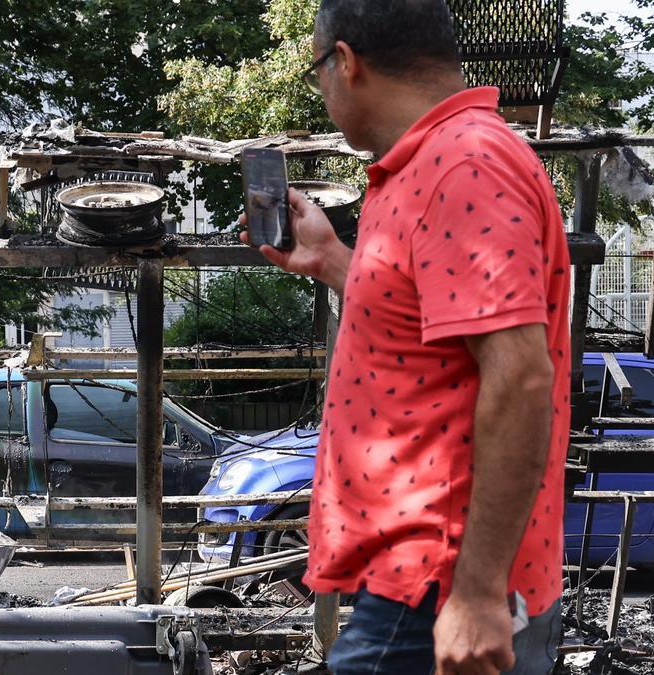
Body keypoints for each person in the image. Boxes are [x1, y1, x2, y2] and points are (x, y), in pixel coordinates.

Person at [242, 2, 570, 673]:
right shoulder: (439, 160)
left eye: (317, 73)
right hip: (429, 578)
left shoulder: (463, 167)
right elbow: (435, 332)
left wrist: (476, 594)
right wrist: (336, 261)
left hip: (437, 579)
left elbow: (520, 376)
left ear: (346, 63)